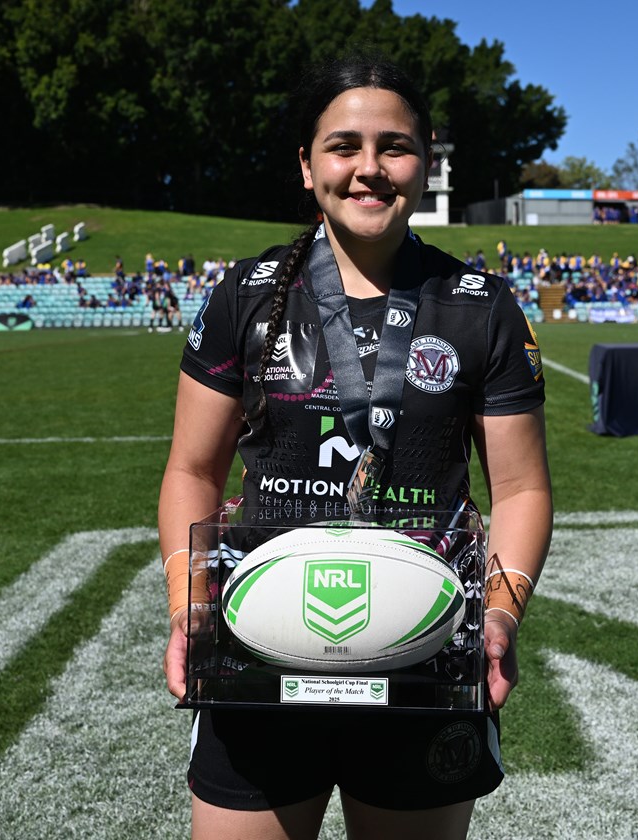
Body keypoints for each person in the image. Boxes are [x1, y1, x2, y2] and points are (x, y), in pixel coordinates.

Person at [159, 52, 552, 840]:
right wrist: (188, 602)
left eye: (394, 146)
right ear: (307, 166)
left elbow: (520, 491)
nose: (369, 168)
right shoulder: (243, 294)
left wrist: (500, 616)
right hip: (258, 652)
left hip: (427, 659)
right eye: (343, 147)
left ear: (424, 160)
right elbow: (190, 470)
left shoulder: (483, 308)